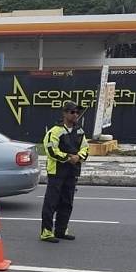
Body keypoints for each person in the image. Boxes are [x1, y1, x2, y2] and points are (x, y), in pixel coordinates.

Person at [40, 101, 89, 243]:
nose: (76, 115)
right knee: (51, 202)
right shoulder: (55, 131)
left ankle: (61, 230)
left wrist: (78, 157)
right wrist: (69, 158)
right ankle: (46, 232)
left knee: (67, 202)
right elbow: (50, 150)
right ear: (65, 113)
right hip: (57, 171)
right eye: (72, 112)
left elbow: (85, 148)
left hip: (72, 171)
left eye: (77, 112)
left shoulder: (79, 131)